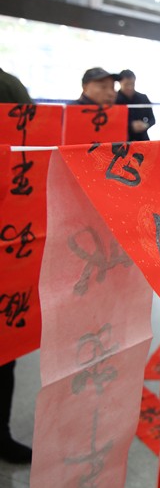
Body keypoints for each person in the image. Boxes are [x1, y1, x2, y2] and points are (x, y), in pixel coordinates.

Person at [0, 67, 33, 465]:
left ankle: (0, 434)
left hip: (8, 224)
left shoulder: (6, 85)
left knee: (4, 346)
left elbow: (32, 138)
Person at [115, 69, 156, 141]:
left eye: (132, 84)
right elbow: (112, 122)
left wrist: (145, 125)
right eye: (126, 84)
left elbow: (152, 119)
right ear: (120, 82)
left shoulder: (143, 98)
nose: (130, 87)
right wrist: (130, 125)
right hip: (121, 141)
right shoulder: (114, 100)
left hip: (142, 139)